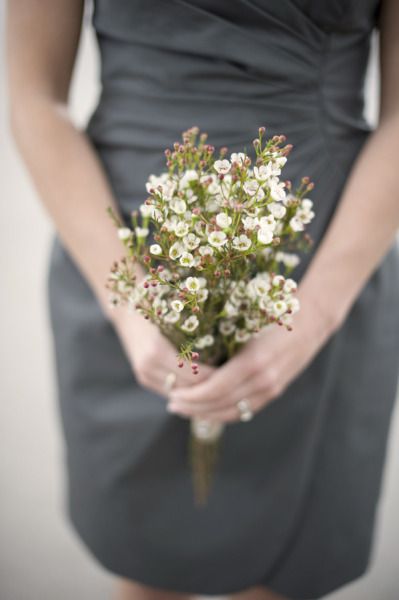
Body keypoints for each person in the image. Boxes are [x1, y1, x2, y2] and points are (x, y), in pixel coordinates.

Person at [6, 1, 399, 599]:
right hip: (122, 249)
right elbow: (35, 96)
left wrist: (310, 318)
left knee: (280, 577)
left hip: (322, 262)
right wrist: (132, 304)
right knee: (147, 564)